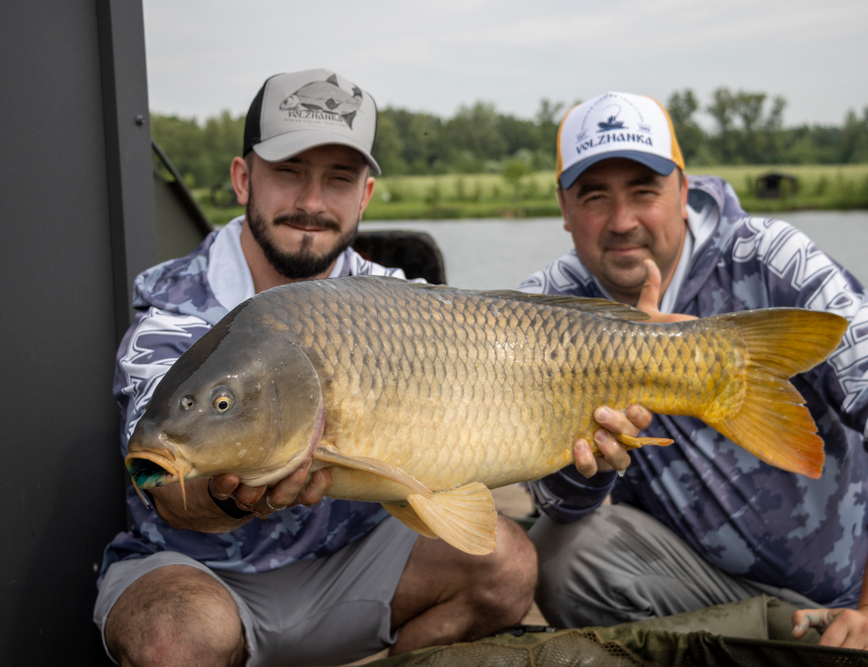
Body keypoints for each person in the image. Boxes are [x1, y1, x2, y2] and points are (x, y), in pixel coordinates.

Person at [94, 69, 536, 667]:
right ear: (243, 178)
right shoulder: (171, 310)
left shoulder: (398, 302)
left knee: (507, 567)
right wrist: (235, 496)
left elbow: (503, 384)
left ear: (366, 196)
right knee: (173, 641)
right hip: (205, 574)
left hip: (352, 565)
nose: (311, 202)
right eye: (289, 173)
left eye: (338, 179)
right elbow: (163, 481)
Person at [518, 91, 868, 661]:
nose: (622, 221)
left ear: (683, 189)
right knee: (559, 554)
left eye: (644, 192)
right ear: (564, 207)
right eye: (595, 196)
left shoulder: (774, 259)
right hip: (702, 593)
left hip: (853, 588)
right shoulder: (543, 307)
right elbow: (557, 501)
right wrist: (592, 464)